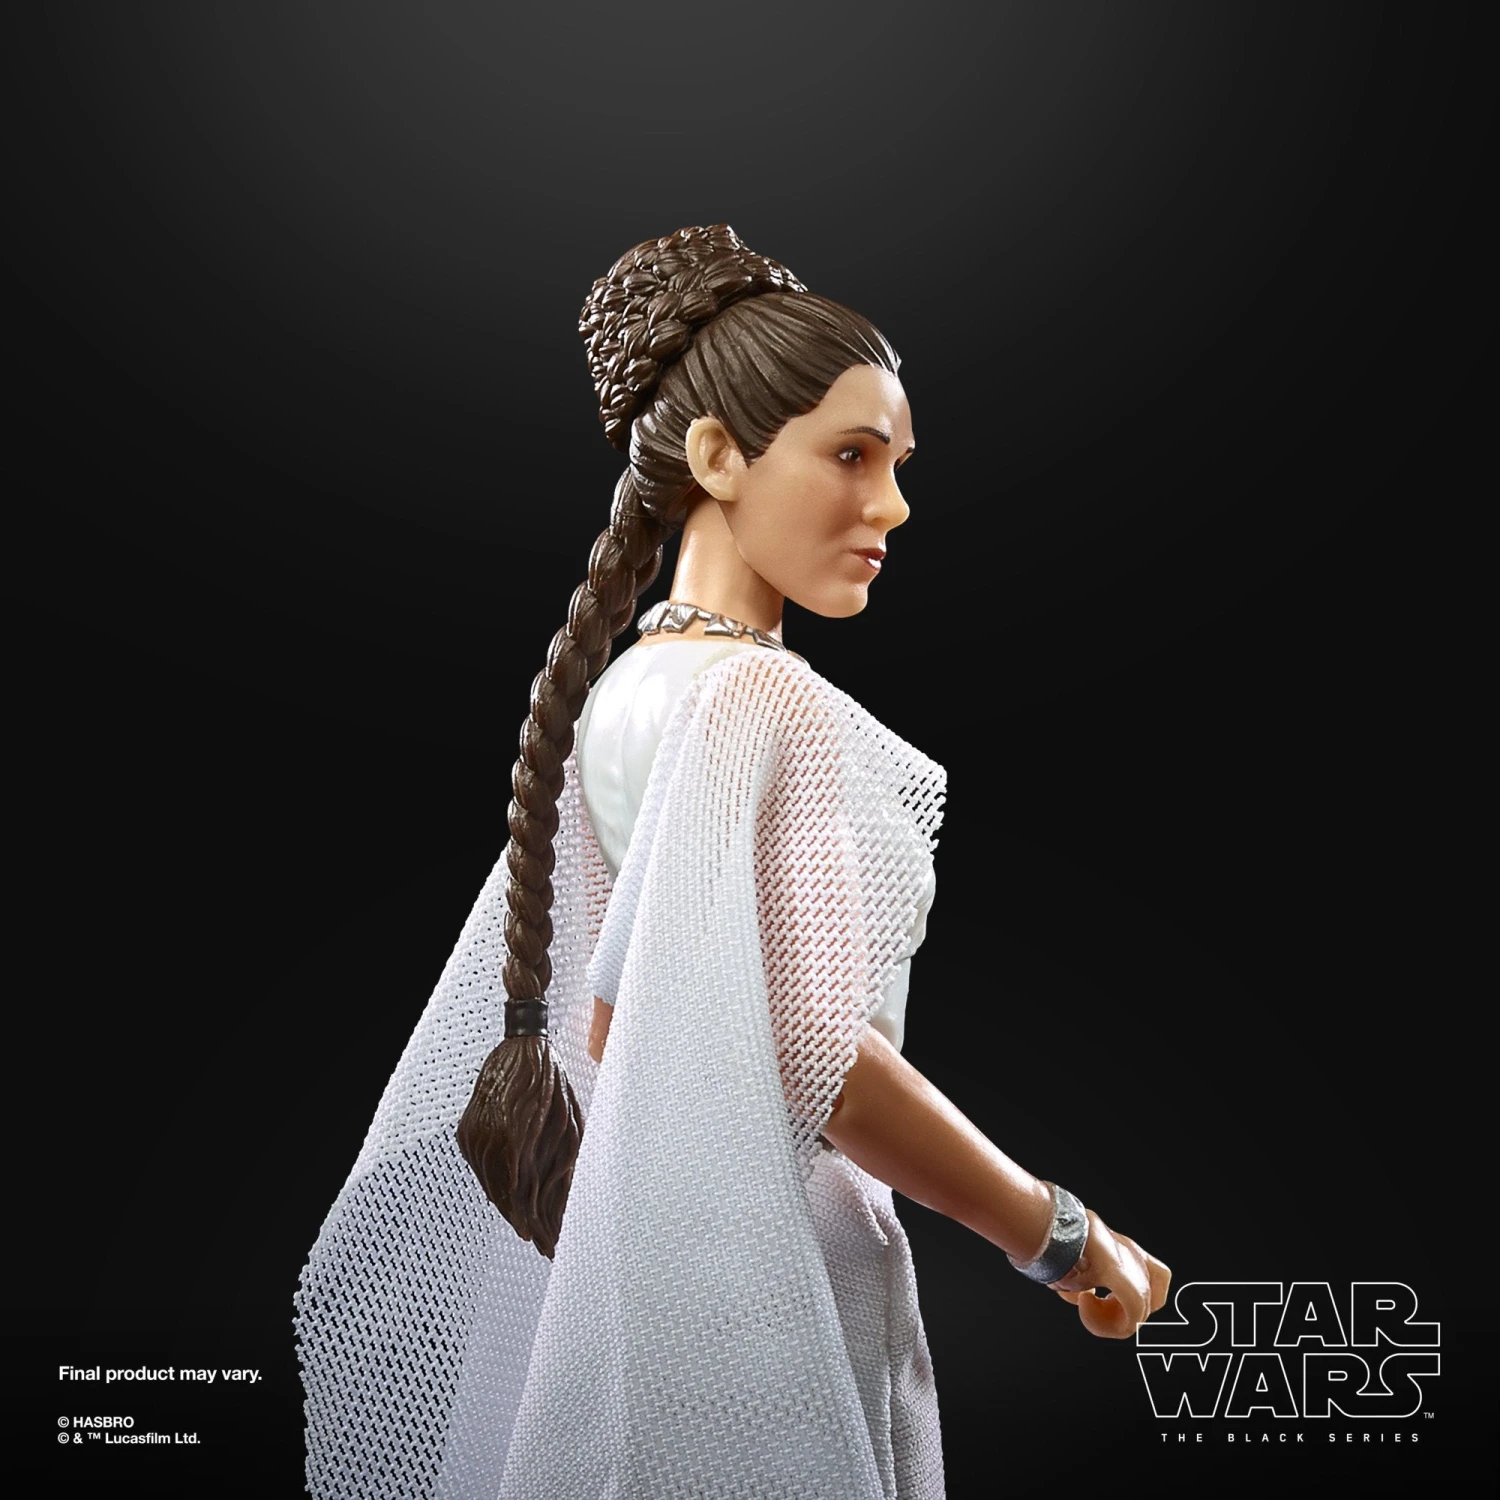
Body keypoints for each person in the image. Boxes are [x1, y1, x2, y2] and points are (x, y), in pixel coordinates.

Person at [295, 224, 1169, 1500]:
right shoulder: (766, 703)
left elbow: (612, 1016)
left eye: (899, 465)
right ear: (716, 456)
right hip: (773, 1270)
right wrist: (1065, 1235)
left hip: (646, 1257)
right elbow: (817, 1059)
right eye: (851, 455)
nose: (892, 505)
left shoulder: (625, 691)